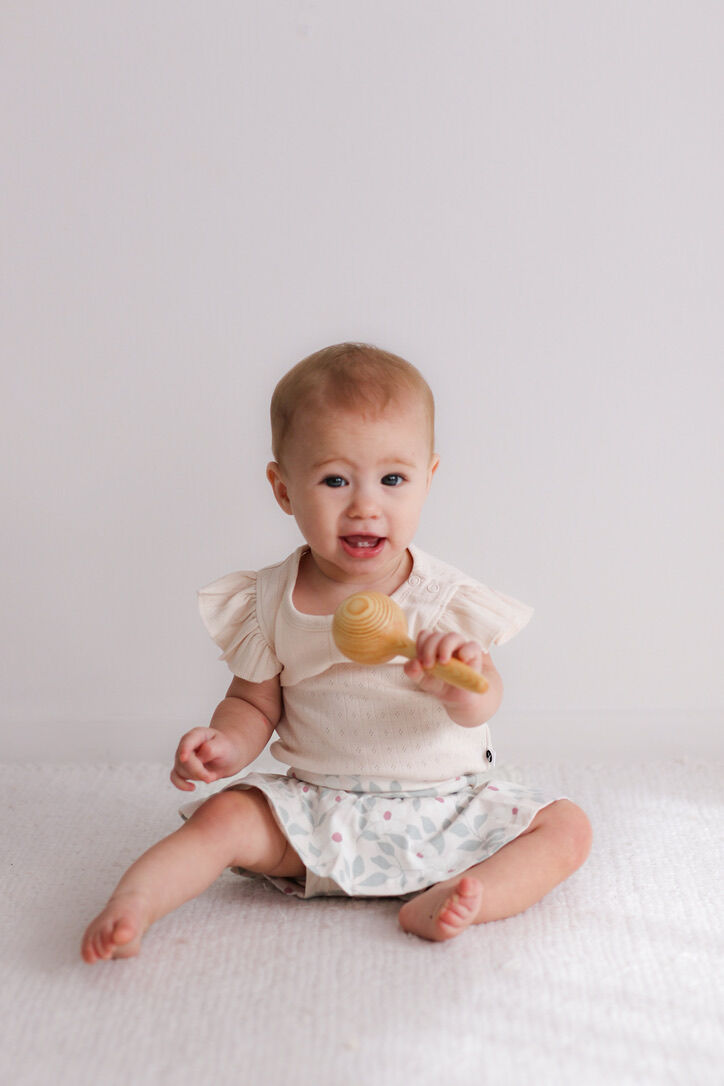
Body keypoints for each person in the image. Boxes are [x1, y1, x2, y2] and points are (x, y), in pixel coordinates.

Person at [81, 342, 591, 962]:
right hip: (318, 809)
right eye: (335, 479)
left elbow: (483, 705)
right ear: (284, 488)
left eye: (393, 479)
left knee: (566, 830)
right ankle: (133, 905)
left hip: (448, 807)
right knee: (222, 821)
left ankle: (471, 892)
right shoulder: (270, 600)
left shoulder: (444, 601)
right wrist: (226, 746)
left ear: (428, 480)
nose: (365, 505)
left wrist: (463, 682)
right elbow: (253, 703)